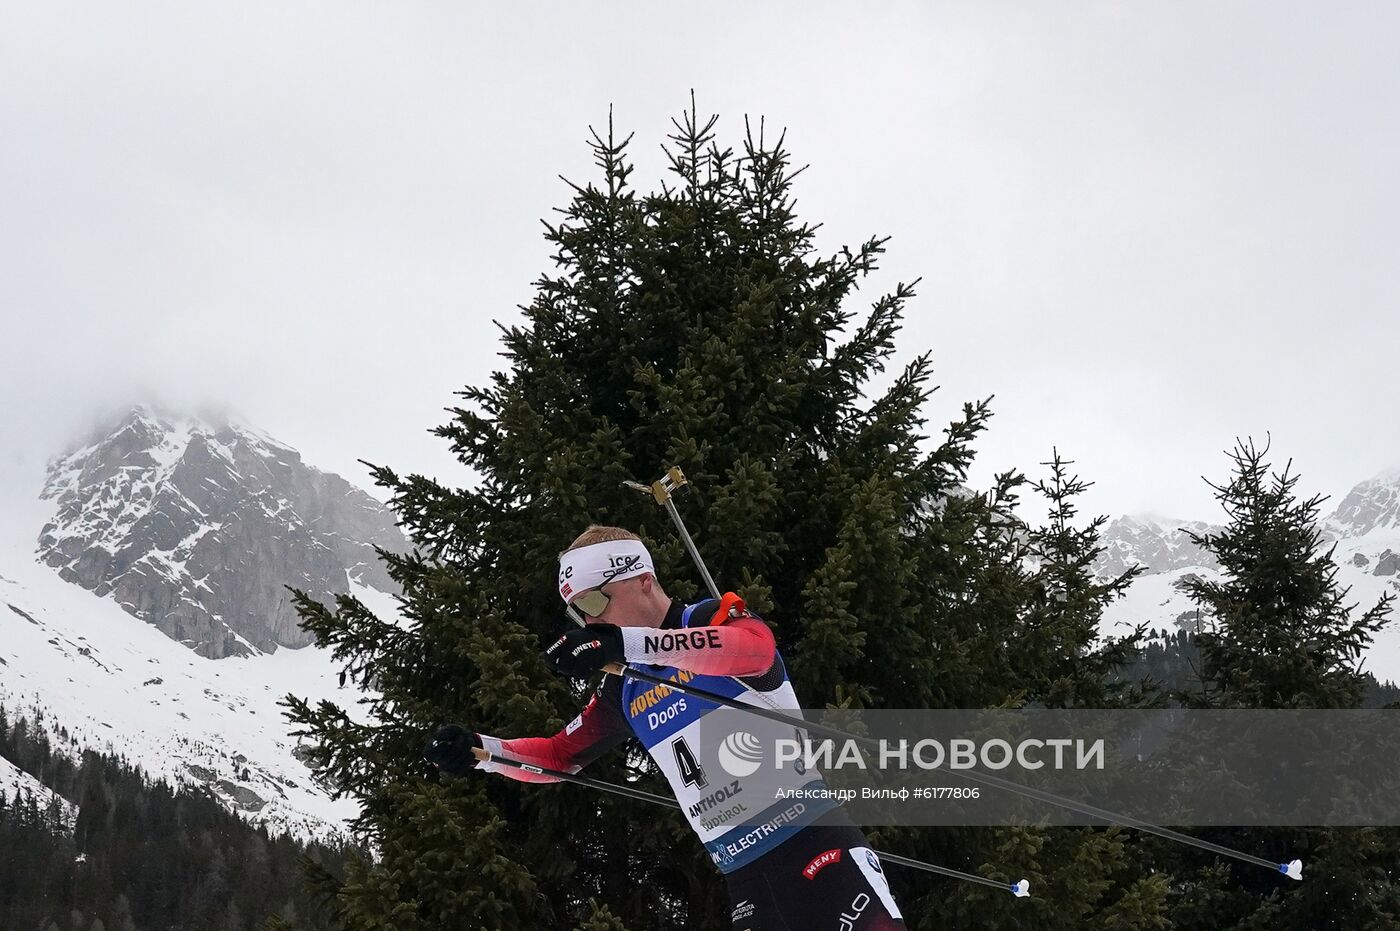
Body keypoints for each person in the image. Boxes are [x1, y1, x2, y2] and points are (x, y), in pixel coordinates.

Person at [425, 525, 906, 931]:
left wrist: (627, 645)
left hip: (816, 846)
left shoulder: (708, 619)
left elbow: (755, 650)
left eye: (595, 600)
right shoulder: (625, 686)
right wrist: (482, 750)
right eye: (579, 611)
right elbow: (558, 757)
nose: (591, 620)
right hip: (745, 878)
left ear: (642, 580)